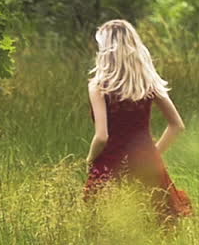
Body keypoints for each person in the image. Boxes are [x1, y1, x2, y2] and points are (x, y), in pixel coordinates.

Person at [83, 19, 193, 223]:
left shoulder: (98, 87)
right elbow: (177, 126)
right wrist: (153, 155)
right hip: (147, 163)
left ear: (106, 50)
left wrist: (89, 160)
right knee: (156, 225)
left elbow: (102, 136)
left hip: (110, 164)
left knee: (103, 225)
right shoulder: (148, 83)